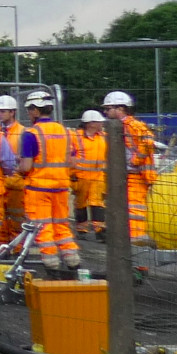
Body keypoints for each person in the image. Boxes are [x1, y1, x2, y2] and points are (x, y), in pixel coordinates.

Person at [16, 90, 81, 275]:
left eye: (29, 110)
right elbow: (72, 162)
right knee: (61, 226)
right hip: (60, 187)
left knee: (43, 229)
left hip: (38, 188)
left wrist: (18, 168)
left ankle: (52, 268)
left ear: (36, 111)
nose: (28, 113)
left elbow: (26, 166)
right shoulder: (66, 131)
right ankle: (73, 263)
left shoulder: (31, 134)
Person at [102, 91, 158, 241]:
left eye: (108, 108)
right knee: (125, 210)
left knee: (135, 212)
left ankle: (137, 244)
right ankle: (130, 242)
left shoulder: (133, 125)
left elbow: (148, 142)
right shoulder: (119, 126)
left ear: (120, 108)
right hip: (126, 175)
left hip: (136, 176)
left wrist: (136, 160)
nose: (105, 112)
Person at [0, 94, 28, 246]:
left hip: (16, 183)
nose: (0, 114)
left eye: (3, 111)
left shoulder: (23, 132)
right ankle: (1, 247)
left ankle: (16, 247)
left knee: (16, 218)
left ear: (12, 112)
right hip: (1, 182)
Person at [69, 109, 107, 236]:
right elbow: (70, 156)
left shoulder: (103, 136)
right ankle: (82, 229)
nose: (102, 124)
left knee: (97, 203)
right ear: (91, 123)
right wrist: (72, 174)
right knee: (81, 203)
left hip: (98, 176)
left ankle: (100, 230)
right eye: (99, 122)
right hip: (80, 177)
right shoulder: (75, 137)